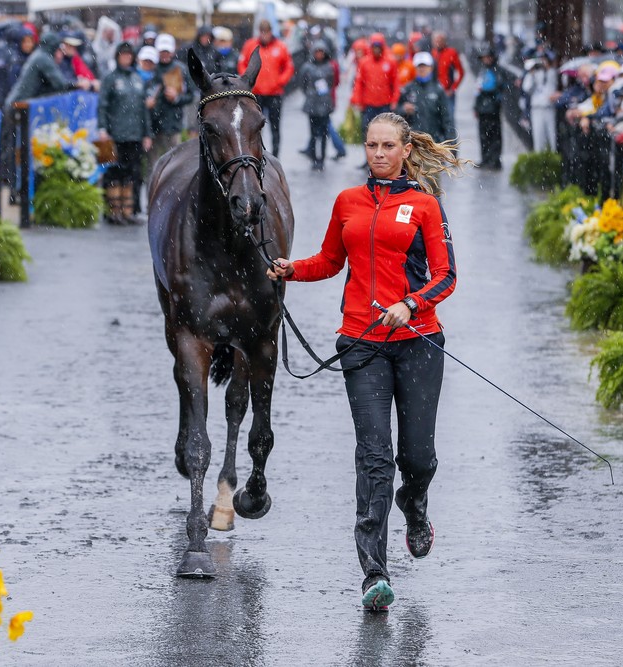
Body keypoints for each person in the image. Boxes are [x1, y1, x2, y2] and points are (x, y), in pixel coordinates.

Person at [266, 112, 464, 612]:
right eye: (371, 145)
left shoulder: (424, 205)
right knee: (374, 457)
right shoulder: (347, 202)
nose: (378, 153)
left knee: (416, 458)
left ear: (405, 151)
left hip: (419, 340)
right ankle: (374, 571)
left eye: (387, 145)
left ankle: (414, 504)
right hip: (361, 341)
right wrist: (291, 270)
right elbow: (331, 261)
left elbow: (446, 277)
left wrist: (411, 304)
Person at [98, 42, 153, 225]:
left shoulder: (137, 79)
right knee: (113, 173)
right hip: (116, 134)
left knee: (133, 174)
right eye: (123, 55)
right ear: (117, 56)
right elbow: (103, 106)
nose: (126, 58)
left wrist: (147, 133)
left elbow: (143, 109)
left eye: (129, 55)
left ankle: (129, 210)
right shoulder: (110, 79)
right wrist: (103, 128)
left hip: (135, 135)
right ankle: (113, 211)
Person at [238, 20, 295, 157]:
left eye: (267, 32)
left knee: (275, 126)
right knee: (254, 126)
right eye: (262, 32)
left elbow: (289, 66)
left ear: (271, 32)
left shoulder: (281, 46)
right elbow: (242, 63)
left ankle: (275, 155)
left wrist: (280, 81)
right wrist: (247, 81)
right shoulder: (250, 45)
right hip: (256, 94)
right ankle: (256, 153)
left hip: (274, 93)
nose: (264, 36)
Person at [147, 34, 194, 159]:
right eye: (162, 51)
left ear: (172, 51)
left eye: (167, 51)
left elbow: (190, 95)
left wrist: (177, 98)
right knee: (153, 162)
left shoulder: (181, 69)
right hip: (153, 125)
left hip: (173, 124)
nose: (165, 54)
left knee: (175, 162)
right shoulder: (151, 68)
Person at [398, 52, 453, 143]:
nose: (422, 69)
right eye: (419, 66)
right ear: (415, 68)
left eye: (425, 66)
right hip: (413, 142)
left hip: (434, 141)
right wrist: (403, 110)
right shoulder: (408, 89)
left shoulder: (438, 89)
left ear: (431, 67)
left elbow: (447, 119)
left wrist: (451, 144)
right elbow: (396, 112)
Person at [297, 41, 336, 171]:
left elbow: (332, 83)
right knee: (313, 134)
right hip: (312, 103)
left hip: (324, 103)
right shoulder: (307, 67)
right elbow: (302, 83)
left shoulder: (329, 67)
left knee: (324, 134)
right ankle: (314, 159)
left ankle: (322, 159)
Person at [474, 49, 505, 169]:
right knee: (483, 134)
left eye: (488, 57)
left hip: (493, 108)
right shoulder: (483, 70)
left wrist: (486, 90)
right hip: (482, 108)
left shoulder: (497, 70)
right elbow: (477, 89)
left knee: (494, 135)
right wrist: (476, 107)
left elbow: (499, 86)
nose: (486, 60)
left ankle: (495, 159)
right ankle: (485, 158)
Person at [521, 50, 558, 152]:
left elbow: (553, 84)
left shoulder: (552, 72)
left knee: (551, 136)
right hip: (537, 108)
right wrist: (532, 74)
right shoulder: (533, 73)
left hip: (549, 108)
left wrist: (548, 67)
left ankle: (552, 157)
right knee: (538, 136)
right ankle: (539, 159)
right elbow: (526, 88)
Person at [431, 31, 464, 117]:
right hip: (434, 92)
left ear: (445, 41)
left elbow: (461, 73)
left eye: (440, 40)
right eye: (436, 40)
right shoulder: (432, 53)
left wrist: (453, 88)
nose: (438, 43)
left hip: (447, 92)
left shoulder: (452, 53)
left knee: (449, 118)